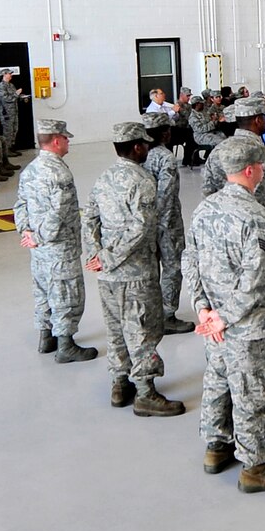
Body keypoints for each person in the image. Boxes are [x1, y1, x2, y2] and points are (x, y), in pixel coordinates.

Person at [184, 136, 265, 492]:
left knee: (218, 379)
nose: (264, 172)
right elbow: (255, 279)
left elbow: (192, 260)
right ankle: (255, 466)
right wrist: (225, 317)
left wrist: (203, 308)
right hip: (246, 326)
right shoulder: (256, 216)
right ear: (250, 171)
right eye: (261, 167)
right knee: (255, 391)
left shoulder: (204, 209)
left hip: (214, 322)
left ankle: (217, 447)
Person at [82, 122, 183, 416]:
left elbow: (89, 218)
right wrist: (111, 257)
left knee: (115, 330)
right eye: (145, 144)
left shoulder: (104, 178)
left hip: (106, 275)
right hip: (136, 273)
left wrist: (97, 255)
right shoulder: (142, 181)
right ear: (138, 147)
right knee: (143, 330)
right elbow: (141, 228)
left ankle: (119, 383)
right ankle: (145, 392)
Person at [15, 118, 95, 362]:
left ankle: (46, 336)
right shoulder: (60, 173)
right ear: (57, 140)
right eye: (66, 138)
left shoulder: (30, 169)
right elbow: (59, 212)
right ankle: (66, 345)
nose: (69, 141)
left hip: (38, 249)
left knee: (42, 289)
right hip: (60, 247)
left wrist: (27, 233)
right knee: (66, 293)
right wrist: (40, 236)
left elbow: (20, 204)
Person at [139, 110, 194, 335]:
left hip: (142, 222)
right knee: (172, 267)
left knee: (149, 268)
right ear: (164, 133)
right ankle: (167, 315)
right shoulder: (165, 158)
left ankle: (149, 313)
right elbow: (167, 196)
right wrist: (164, 225)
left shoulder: (138, 156)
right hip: (165, 222)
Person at [0, 71, 32, 162]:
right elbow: (6, 99)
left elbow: (15, 97)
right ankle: (6, 150)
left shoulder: (11, 85)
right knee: (8, 131)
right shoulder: (1, 87)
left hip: (14, 112)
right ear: (4, 75)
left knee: (14, 130)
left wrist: (22, 97)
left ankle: (11, 147)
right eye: (9, 73)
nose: (11, 75)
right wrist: (16, 94)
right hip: (7, 113)